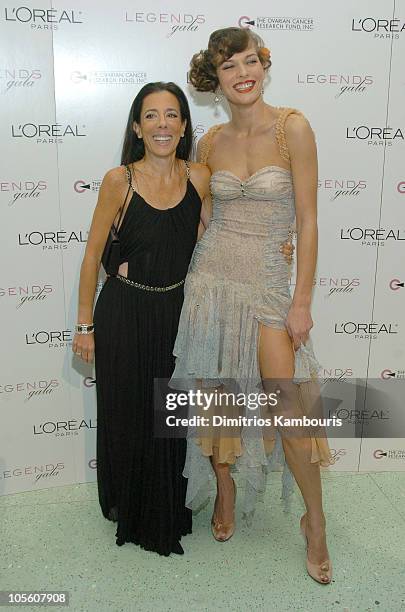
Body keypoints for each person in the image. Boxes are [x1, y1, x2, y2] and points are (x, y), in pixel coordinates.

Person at [170, 28, 335, 583]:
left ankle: (315, 521)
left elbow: (309, 220)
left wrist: (302, 299)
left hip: (267, 284)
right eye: (227, 66)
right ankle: (225, 493)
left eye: (249, 61)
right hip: (211, 283)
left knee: (289, 412)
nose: (242, 72)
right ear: (213, 80)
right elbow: (200, 219)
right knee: (217, 400)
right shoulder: (210, 141)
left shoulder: (293, 128)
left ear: (262, 65)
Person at [71, 81, 211, 556]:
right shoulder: (119, 181)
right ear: (137, 126)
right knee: (129, 416)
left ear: (185, 124)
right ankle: (130, 506)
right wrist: (85, 325)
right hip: (124, 312)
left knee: (170, 417)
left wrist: (277, 243)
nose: (162, 125)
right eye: (151, 116)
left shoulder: (201, 177)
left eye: (171, 115)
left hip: (176, 312)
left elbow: (214, 243)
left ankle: (168, 506)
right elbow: (92, 256)